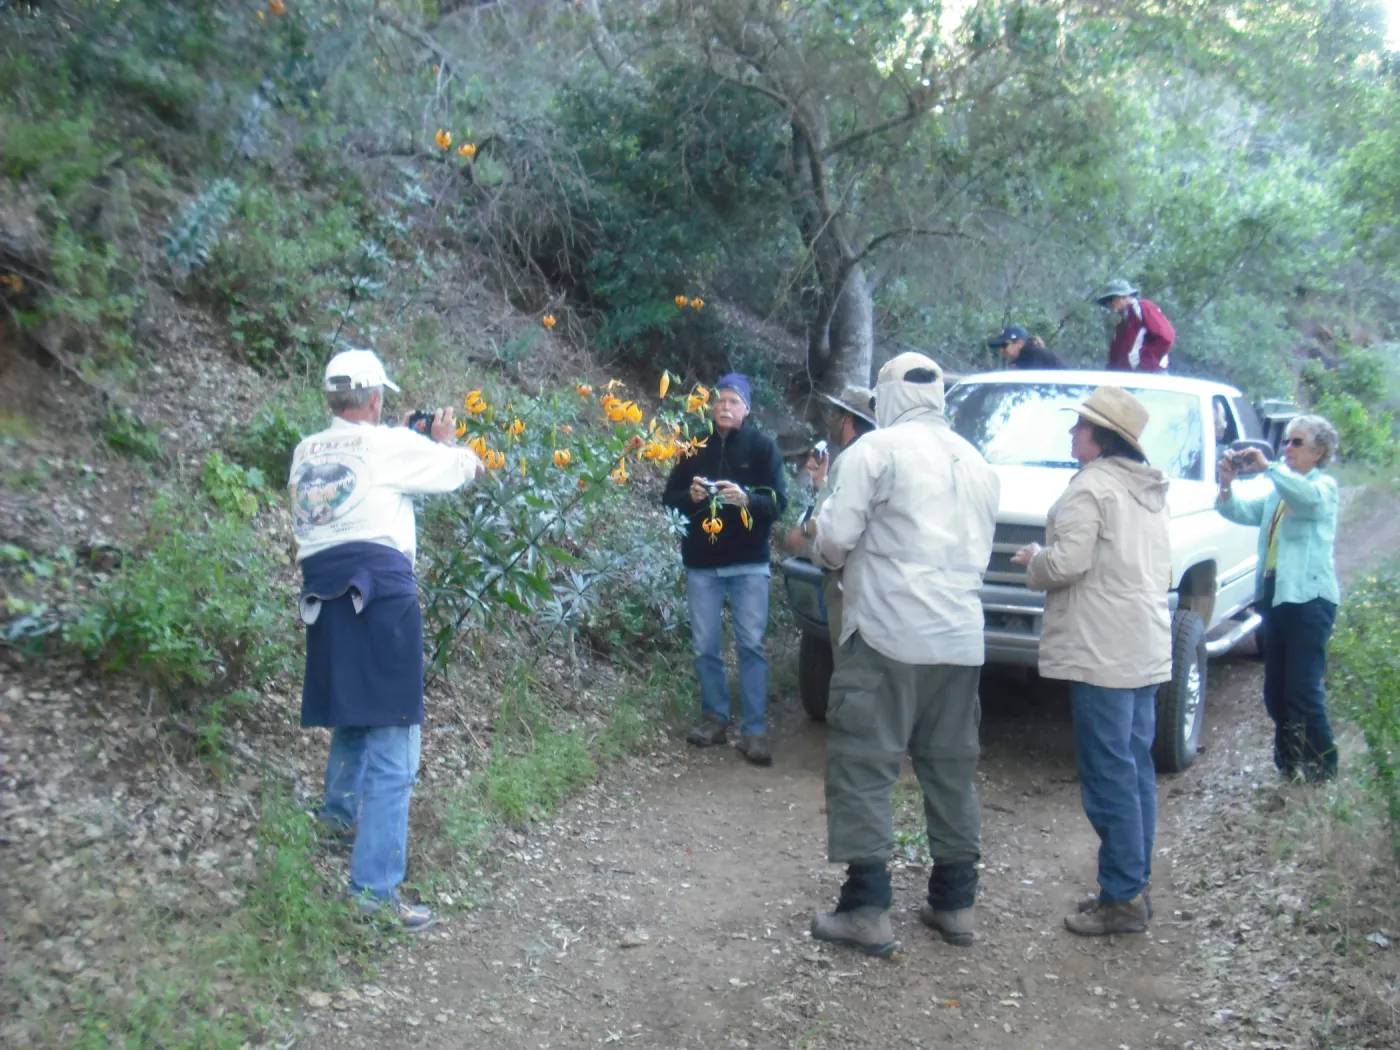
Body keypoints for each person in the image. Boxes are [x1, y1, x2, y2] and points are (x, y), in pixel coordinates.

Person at [805, 352, 1000, 956]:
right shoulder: (978, 462)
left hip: (888, 630)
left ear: (888, 397)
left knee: (865, 763)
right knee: (950, 764)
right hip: (961, 638)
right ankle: (954, 901)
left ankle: (866, 905)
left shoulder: (874, 451)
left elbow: (834, 539)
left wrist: (823, 551)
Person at [289, 348, 482, 930]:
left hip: (324, 594)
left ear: (332, 399)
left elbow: (358, 471)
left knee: (353, 712)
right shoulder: (390, 446)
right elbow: (461, 470)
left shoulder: (305, 451)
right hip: (381, 593)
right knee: (395, 738)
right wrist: (442, 443)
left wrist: (405, 438)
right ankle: (372, 894)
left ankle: (336, 819)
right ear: (374, 399)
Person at [1009, 386, 1171, 937]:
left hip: (1102, 651)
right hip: (1143, 646)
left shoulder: (1091, 487)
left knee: (1108, 776)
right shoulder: (1146, 490)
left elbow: (1068, 563)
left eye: (1079, 425)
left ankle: (1122, 897)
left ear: (1101, 438)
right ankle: (1135, 884)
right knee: (1134, 768)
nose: (1072, 433)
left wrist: (1036, 559)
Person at [662, 373, 788, 766]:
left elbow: (778, 504)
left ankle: (754, 731)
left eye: (734, 402)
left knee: (751, 644)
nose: (725, 408)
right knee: (704, 645)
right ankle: (714, 718)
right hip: (701, 562)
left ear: (746, 408)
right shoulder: (692, 447)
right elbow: (669, 498)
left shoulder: (763, 448)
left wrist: (747, 499)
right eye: (719, 401)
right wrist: (692, 496)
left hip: (749, 562)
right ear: (710, 407)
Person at [1216, 415, 1341, 782]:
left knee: (1303, 689)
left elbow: (1307, 500)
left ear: (1319, 452)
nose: (1288, 449)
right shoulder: (1278, 491)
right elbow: (1240, 510)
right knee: (1276, 691)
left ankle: (1324, 769)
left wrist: (1269, 467)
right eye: (1286, 442)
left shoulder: (1323, 487)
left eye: (1297, 443)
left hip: (1309, 600)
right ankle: (1291, 766)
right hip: (1276, 597)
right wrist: (1227, 485)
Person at [782, 384, 877, 671]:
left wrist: (805, 529)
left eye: (835, 413)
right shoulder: (869, 457)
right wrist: (818, 483)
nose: (829, 420)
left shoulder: (850, 460)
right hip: (870, 583)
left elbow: (825, 525)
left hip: (846, 583)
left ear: (847, 419)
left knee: (847, 667)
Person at [1097, 279, 1175, 373]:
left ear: (1123, 297)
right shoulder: (1123, 324)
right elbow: (1115, 356)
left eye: (1111, 299)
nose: (1109, 304)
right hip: (1131, 378)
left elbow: (1166, 336)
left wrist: (1146, 365)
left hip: (1152, 374)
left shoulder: (1143, 307)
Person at [986, 325, 1066, 369]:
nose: (1001, 350)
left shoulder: (1033, 354)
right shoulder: (1023, 358)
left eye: (1004, 345)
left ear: (1019, 343)